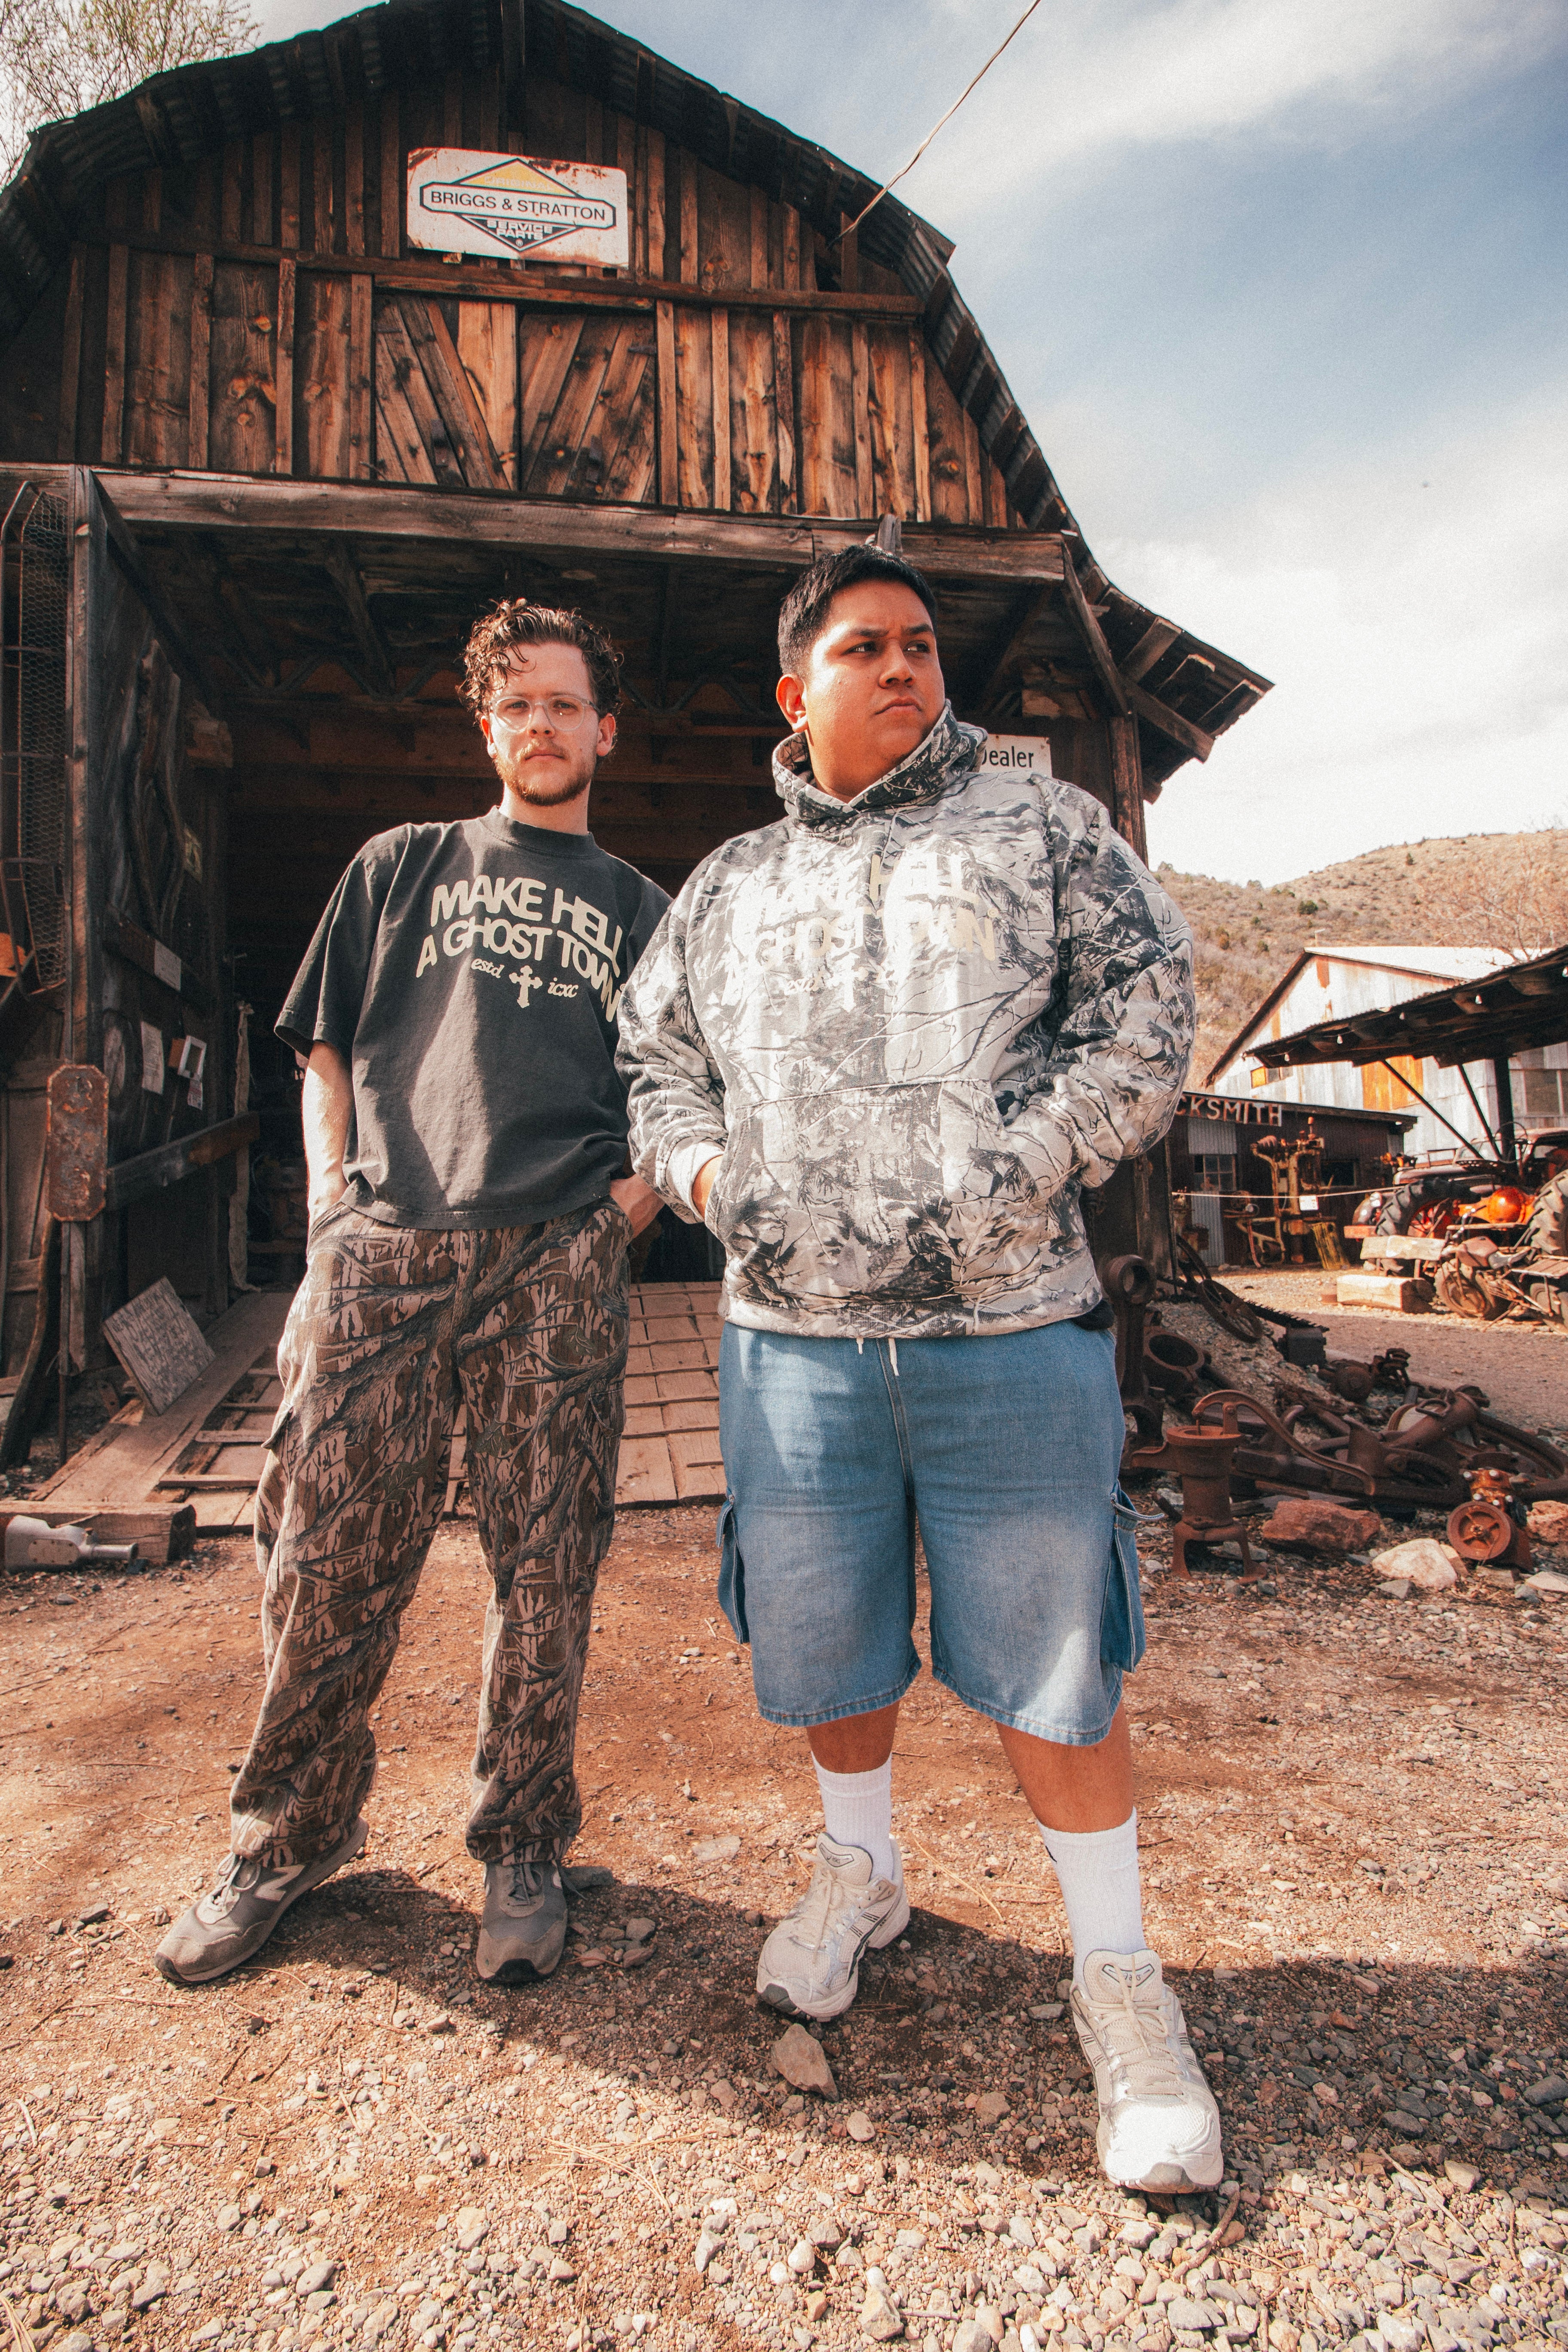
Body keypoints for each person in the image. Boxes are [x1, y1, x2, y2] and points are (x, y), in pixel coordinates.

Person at [616, 546, 1220, 2191]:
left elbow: (1150, 1011)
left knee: (1059, 1657)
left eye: (923, 646)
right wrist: (708, 1177)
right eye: (865, 648)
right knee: (831, 1645)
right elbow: (656, 1065)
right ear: (795, 689)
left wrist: (1024, 1162)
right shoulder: (729, 884)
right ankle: (861, 1874)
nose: (904, 668)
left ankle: (1120, 1977)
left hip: (1008, 1328)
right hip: (793, 1345)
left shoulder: (1043, 828)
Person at [156, 603, 666, 1990]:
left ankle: (522, 1840)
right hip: (383, 1254)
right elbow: (323, 1052)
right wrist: (333, 1209)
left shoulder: (645, 913)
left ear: (606, 731)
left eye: (566, 704)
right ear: (488, 729)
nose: (543, 725)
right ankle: (288, 1837)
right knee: (323, 1559)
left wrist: (608, 1229)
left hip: (553, 1263)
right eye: (519, 705)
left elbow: (688, 1102)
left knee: (546, 1566)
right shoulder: (401, 865)